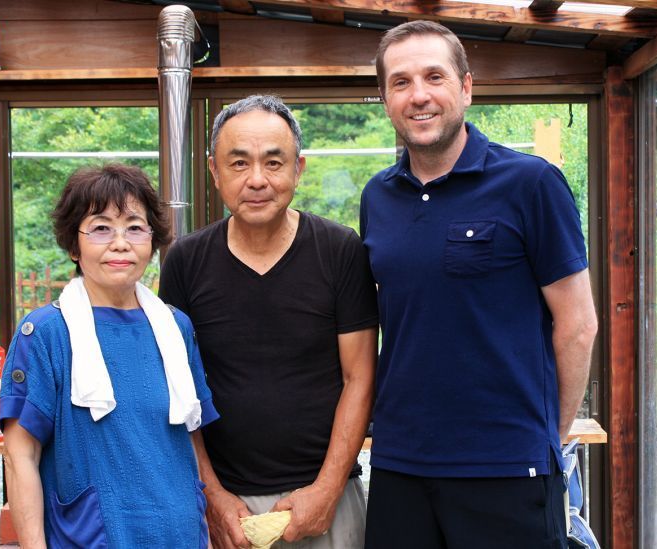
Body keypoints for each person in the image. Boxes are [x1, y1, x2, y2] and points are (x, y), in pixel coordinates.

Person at [360, 21, 598, 548]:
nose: (418, 95)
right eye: (400, 82)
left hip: (507, 469)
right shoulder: (378, 196)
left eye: (434, 77)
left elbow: (578, 325)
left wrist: (547, 438)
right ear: (385, 99)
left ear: (466, 87)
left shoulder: (531, 183)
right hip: (400, 465)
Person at [159, 94, 378, 549]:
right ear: (214, 171)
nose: (257, 179)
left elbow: (359, 377)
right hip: (226, 506)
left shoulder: (340, 250)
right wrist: (212, 496)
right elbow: (179, 392)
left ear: (299, 169)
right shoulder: (185, 261)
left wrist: (327, 490)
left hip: (328, 499)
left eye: (273, 163)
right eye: (239, 163)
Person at [0, 164, 219, 548]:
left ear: (152, 240)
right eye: (101, 228)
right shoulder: (47, 333)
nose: (120, 243)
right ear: (74, 245)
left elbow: (191, 438)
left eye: (134, 227)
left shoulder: (176, 327)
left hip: (180, 535)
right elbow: (20, 456)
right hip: (91, 538)